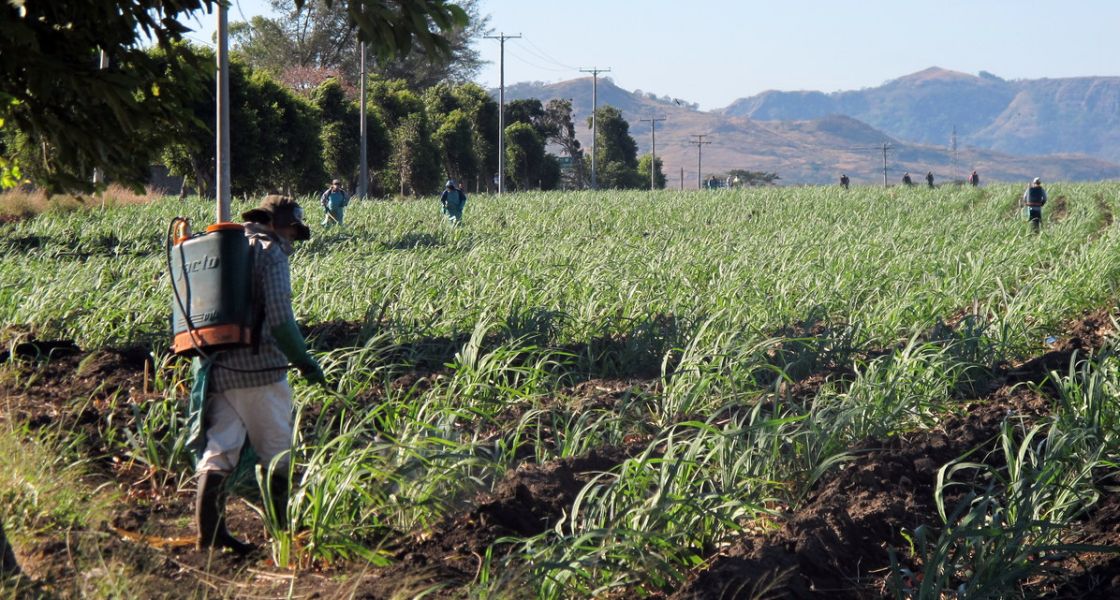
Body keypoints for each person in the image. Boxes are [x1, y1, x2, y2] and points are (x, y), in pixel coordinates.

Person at [189, 195, 325, 555]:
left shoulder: (224, 248)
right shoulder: (271, 253)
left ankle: (210, 537)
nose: (293, 240)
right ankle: (283, 537)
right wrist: (306, 363)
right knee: (278, 453)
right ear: (284, 226)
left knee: (220, 450)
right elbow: (280, 319)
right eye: (294, 232)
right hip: (261, 371)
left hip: (217, 368)